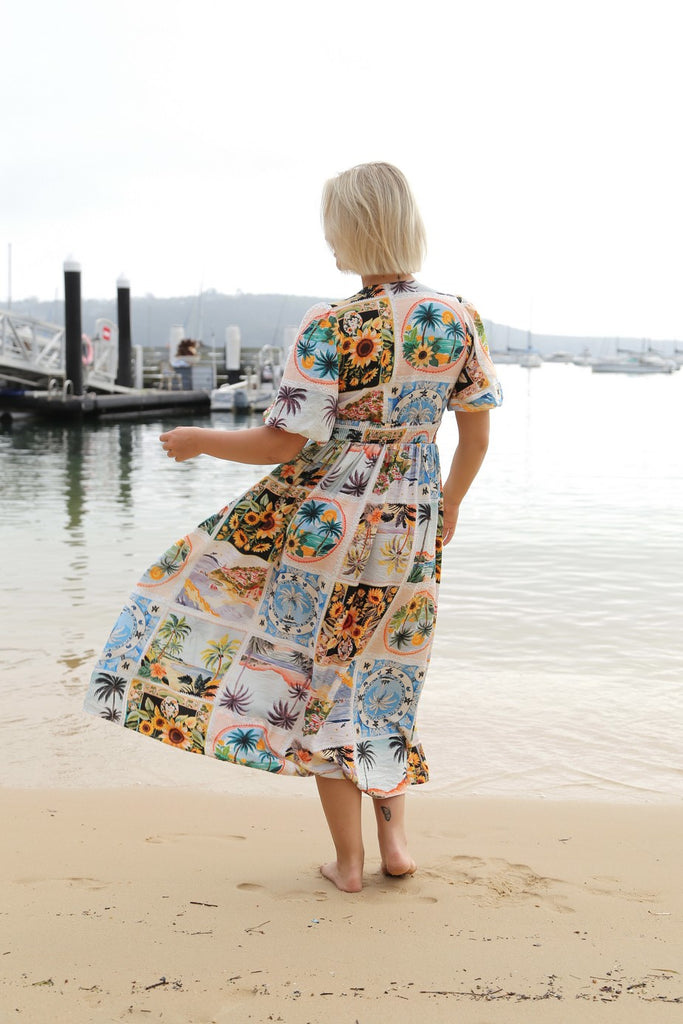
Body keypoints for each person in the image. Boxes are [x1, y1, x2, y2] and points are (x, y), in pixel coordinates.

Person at [84, 162, 502, 892]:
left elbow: (283, 445)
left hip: (326, 527)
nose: (328, 242)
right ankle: (395, 846)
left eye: (332, 228)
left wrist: (198, 439)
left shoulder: (331, 323)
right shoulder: (458, 316)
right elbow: (475, 438)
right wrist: (450, 506)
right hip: (411, 527)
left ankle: (348, 862)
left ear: (351, 230)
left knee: (321, 681)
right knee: (387, 671)